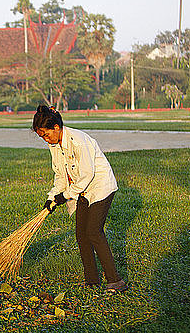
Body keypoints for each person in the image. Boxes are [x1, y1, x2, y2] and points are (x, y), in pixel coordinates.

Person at [32, 105, 127, 293]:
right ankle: (92, 280)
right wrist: (52, 198)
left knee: (94, 232)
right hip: (81, 191)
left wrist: (65, 196)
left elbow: (87, 175)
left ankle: (115, 281)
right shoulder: (54, 146)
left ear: (56, 128)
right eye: (41, 136)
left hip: (100, 188)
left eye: (45, 134)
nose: (45, 139)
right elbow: (60, 175)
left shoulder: (79, 141)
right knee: (81, 236)